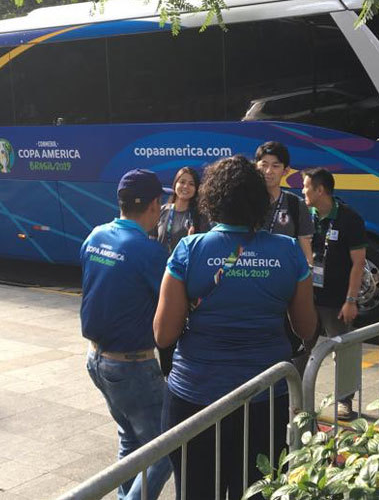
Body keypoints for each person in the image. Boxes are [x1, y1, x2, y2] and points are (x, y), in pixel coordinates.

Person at [154, 155, 317, 499]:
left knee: (197, 492)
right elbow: (306, 328)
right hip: (265, 397)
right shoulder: (288, 251)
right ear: (260, 201)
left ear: (211, 199)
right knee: (256, 490)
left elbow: (163, 335)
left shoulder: (189, 250)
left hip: (195, 397)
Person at [79, 169, 172, 500]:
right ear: (154, 205)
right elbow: (176, 300)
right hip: (131, 367)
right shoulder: (148, 251)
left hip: (96, 359)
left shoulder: (96, 236)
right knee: (167, 448)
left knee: (130, 438)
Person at [301, 167, 366, 420]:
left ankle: (345, 401)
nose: (302, 191)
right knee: (300, 348)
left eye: (306, 187)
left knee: (344, 349)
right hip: (307, 298)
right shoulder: (305, 215)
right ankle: (297, 398)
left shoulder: (350, 219)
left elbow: (358, 263)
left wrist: (351, 300)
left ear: (320, 190)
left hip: (337, 301)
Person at [255, 141, 314, 371]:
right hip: (252, 284)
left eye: (275, 166)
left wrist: (308, 282)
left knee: (285, 349)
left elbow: (305, 246)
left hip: (284, 289)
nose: (268, 171)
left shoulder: (295, 204)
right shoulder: (247, 202)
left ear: (286, 171)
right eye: (264, 164)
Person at [152, 166, 208, 376]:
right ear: (175, 184)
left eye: (191, 183)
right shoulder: (162, 211)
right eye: (182, 182)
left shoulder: (200, 216)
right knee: (164, 330)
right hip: (161, 280)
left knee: (185, 331)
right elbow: (151, 241)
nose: (185, 187)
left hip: (187, 283)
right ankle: (168, 373)